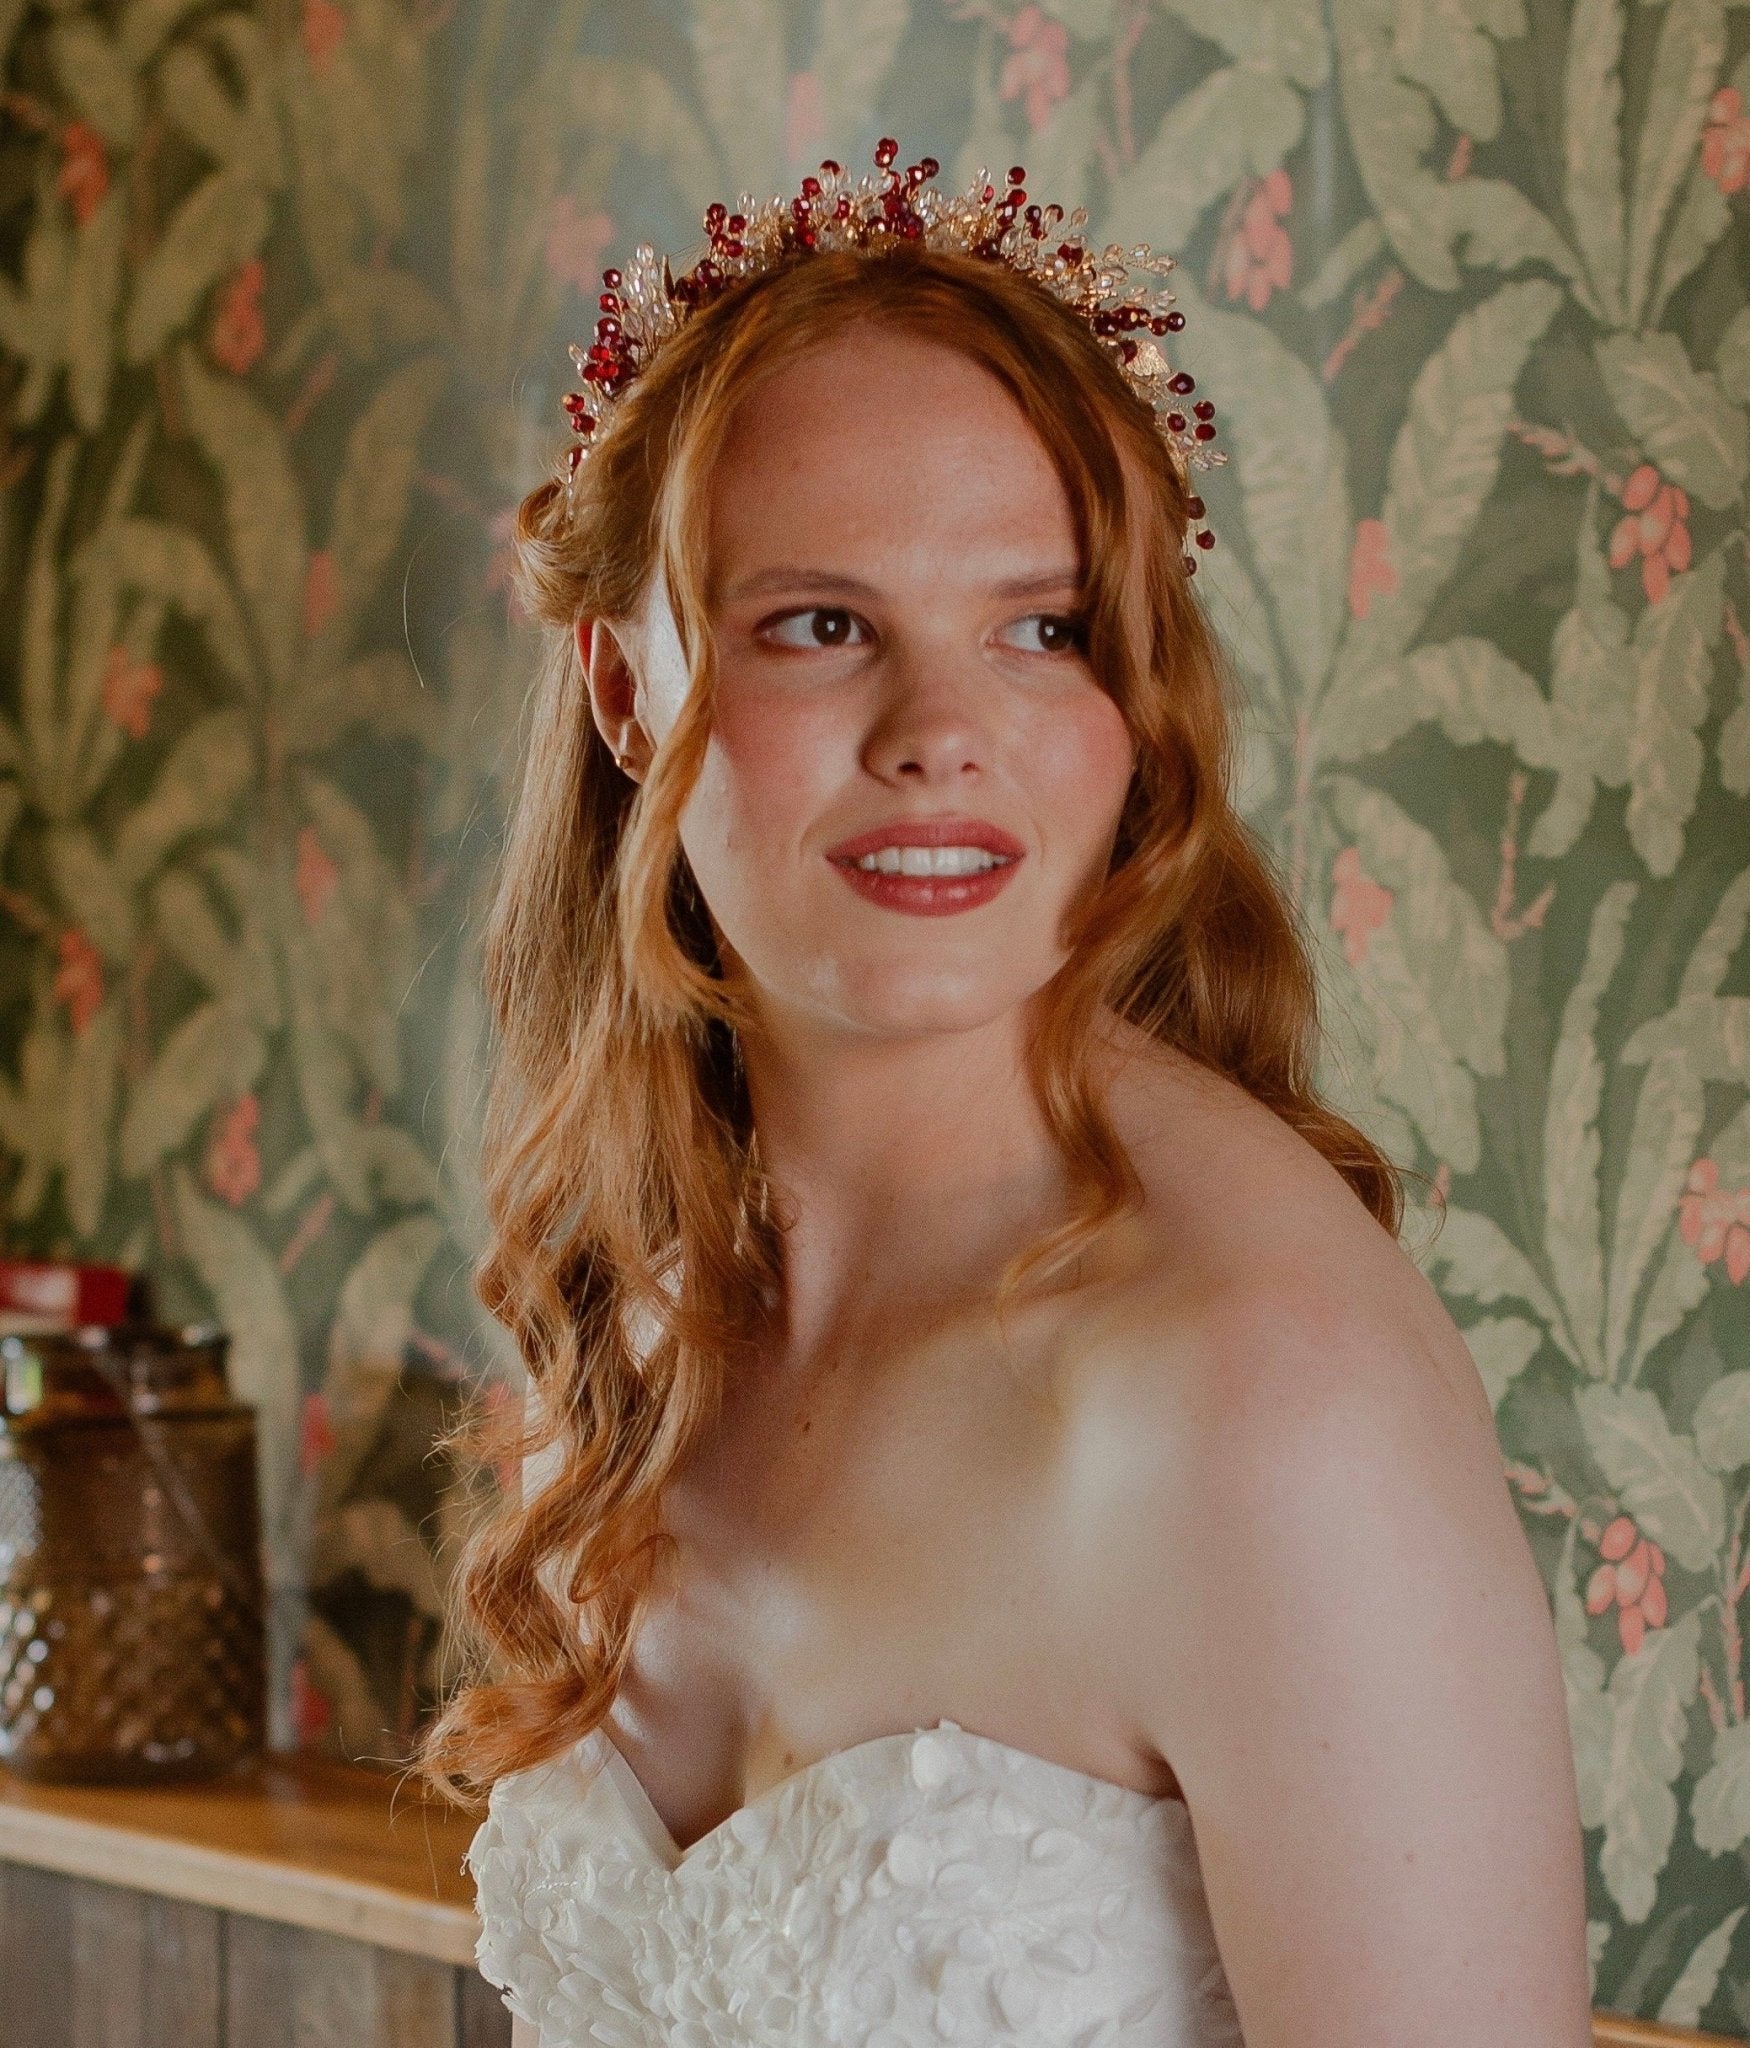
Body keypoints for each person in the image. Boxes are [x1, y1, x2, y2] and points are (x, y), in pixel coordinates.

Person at [426, 145, 1595, 2048]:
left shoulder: (1260, 1396)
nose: (937, 733)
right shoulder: (640, 1325)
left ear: (1135, 700)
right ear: (625, 694)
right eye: (818, 622)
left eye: (1042, 627)